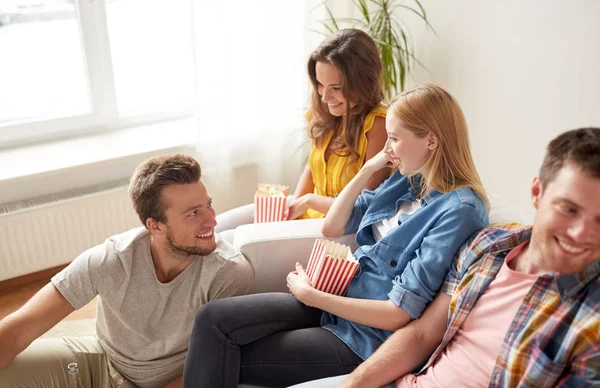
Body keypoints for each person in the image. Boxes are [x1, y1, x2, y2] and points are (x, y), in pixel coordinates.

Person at [182, 83, 490, 388]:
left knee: (226, 354)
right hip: (337, 297)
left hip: (363, 337)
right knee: (211, 319)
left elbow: (398, 313)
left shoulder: (460, 210)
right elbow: (332, 225)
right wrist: (368, 168)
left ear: (431, 141)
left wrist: (311, 296)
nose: (389, 148)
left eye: (395, 138)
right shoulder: (409, 179)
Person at [294, 127, 600, 388]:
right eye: (568, 209)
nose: (581, 233)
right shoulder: (489, 246)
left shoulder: (591, 322)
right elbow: (422, 335)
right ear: (537, 192)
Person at [0, 154, 254, 388]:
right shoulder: (110, 261)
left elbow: (216, 364)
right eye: (193, 213)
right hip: (99, 362)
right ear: (155, 226)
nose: (212, 220)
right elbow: (22, 326)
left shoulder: (228, 272)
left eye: (208, 205)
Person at [215, 28, 390, 233]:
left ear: (363, 82)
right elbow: (313, 168)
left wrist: (308, 201)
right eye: (320, 84)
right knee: (222, 229)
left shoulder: (379, 125)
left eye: (335, 87)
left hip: (336, 229)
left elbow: (363, 207)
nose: (325, 97)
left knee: (241, 241)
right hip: (307, 214)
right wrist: (293, 208)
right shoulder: (328, 115)